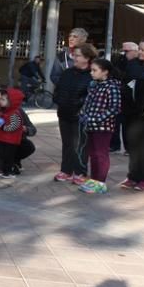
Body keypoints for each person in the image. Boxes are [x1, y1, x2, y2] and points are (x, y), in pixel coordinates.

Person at [77, 59, 123, 195]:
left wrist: (97, 119)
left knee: (100, 154)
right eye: (91, 70)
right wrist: (83, 114)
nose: (91, 73)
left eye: (94, 70)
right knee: (93, 154)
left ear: (105, 72)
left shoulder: (112, 87)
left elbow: (115, 108)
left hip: (103, 127)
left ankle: (100, 182)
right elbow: (88, 103)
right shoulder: (95, 85)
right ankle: (94, 179)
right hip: (91, 125)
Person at [52, 43, 96, 184]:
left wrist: (80, 105)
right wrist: (58, 100)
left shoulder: (92, 75)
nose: (74, 58)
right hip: (64, 113)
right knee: (67, 144)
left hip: (80, 117)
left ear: (87, 58)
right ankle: (66, 170)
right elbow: (58, 89)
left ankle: (80, 173)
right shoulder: (67, 72)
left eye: (77, 55)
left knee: (80, 145)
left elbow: (91, 96)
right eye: (74, 55)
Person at [0, 88, 37, 175]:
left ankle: (12, 161)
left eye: (2, 99)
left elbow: (33, 130)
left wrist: (24, 129)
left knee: (28, 146)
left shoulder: (17, 111)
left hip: (14, 141)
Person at [119, 39, 144, 190]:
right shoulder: (134, 65)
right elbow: (126, 82)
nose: (140, 52)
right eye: (140, 49)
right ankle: (133, 176)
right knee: (132, 145)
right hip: (130, 112)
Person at [110, 42, 139, 153]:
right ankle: (115, 145)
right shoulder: (121, 61)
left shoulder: (139, 64)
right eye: (123, 51)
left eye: (126, 51)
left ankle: (129, 148)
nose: (124, 53)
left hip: (131, 99)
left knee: (128, 124)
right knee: (117, 122)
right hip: (120, 96)